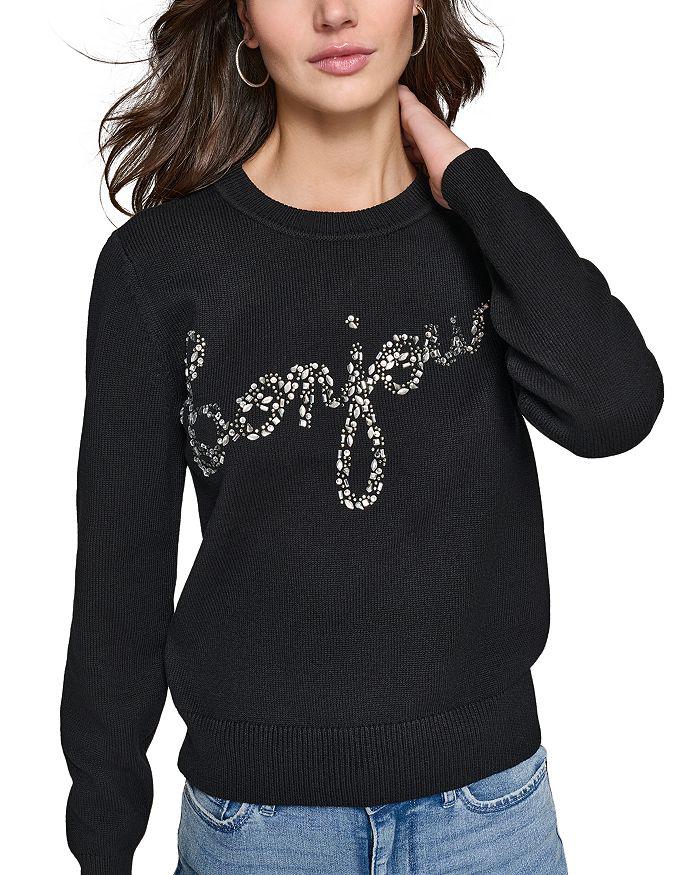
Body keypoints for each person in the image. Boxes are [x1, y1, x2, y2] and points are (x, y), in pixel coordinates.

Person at [60, 1, 664, 873]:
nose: (335, 12)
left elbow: (616, 408)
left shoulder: (484, 235)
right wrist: (102, 844)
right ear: (245, 19)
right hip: (260, 831)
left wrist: (474, 184)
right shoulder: (157, 268)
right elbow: (122, 579)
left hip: (489, 819)